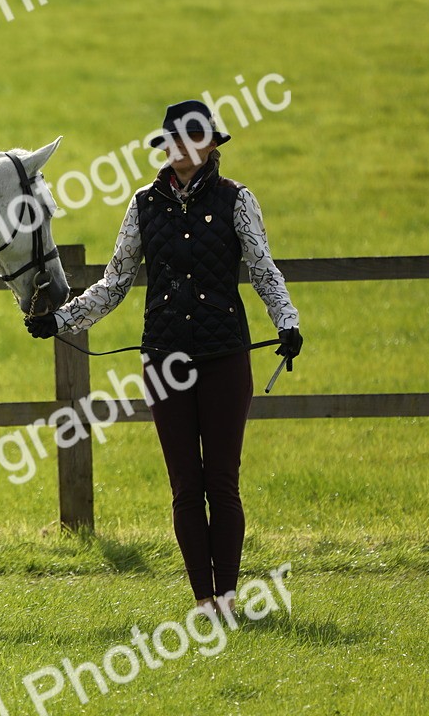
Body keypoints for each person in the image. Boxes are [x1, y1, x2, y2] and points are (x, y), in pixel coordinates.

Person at [25, 100, 302, 618]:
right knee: (184, 485)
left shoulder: (237, 200)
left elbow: (264, 267)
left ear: (211, 144)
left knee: (221, 478)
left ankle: (229, 595)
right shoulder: (143, 205)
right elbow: (114, 283)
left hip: (224, 358)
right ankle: (204, 600)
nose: (179, 148)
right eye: (172, 139)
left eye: (191, 138)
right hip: (164, 360)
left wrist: (286, 322)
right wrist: (59, 320)